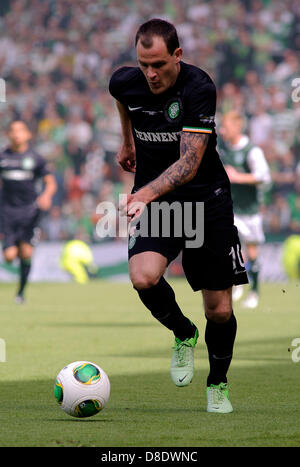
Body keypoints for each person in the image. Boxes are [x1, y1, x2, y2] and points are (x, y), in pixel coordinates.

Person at [109, 19, 248, 413]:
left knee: (219, 311)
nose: (150, 74)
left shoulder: (199, 88)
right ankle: (183, 334)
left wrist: (145, 191)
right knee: (143, 277)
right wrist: (127, 140)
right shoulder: (125, 81)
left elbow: (189, 163)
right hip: (160, 205)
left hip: (206, 202)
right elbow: (122, 97)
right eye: (143, 65)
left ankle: (217, 384)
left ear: (177, 55)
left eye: (158, 64)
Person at [219, 110, 271, 309]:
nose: (222, 131)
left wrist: (238, 177)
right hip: (229, 209)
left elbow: (264, 177)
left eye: (226, 127)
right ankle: (236, 282)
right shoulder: (223, 149)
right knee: (226, 246)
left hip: (249, 210)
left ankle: (255, 292)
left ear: (237, 127)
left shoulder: (251, 151)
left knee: (251, 250)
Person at [0, 120, 57, 303]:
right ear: (8, 134)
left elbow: (50, 183)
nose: (16, 134)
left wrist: (46, 196)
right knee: (9, 257)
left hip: (29, 212)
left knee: (26, 253)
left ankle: (21, 293)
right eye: (13, 130)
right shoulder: (3, 157)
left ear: (28, 135)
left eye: (20, 130)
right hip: (7, 212)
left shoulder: (36, 158)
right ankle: (16, 244)